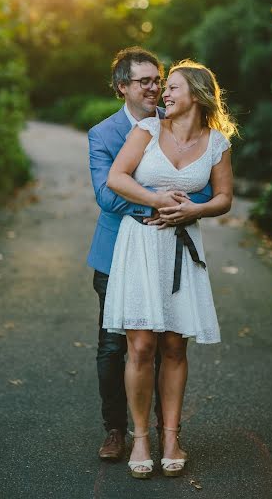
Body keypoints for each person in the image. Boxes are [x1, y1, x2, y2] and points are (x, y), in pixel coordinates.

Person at [103, 58, 236, 478]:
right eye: (165, 87)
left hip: (182, 247)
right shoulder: (146, 131)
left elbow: (224, 198)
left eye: (173, 87)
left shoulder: (217, 143)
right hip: (140, 244)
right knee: (141, 346)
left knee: (175, 347)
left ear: (196, 94)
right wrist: (160, 201)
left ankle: (172, 436)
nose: (165, 93)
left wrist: (194, 210)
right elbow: (116, 178)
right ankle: (140, 437)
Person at [87, 48, 212, 462]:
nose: (155, 87)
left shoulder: (176, 125)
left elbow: (206, 184)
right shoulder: (104, 134)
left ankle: (165, 433)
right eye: (145, 81)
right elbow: (107, 194)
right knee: (115, 348)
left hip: (170, 249)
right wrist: (156, 206)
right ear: (122, 87)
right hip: (117, 253)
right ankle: (116, 430)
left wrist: (183, 206)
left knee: (167, 342)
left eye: (158, 80)